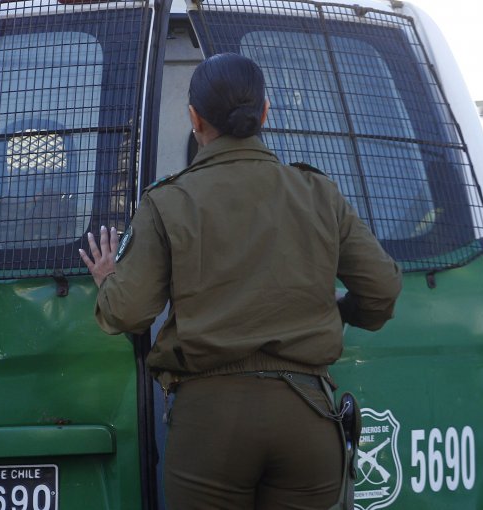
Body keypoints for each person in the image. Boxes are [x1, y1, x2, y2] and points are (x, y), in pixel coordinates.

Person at [79, 53, 402, 509]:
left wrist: (110, 277)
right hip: (307, 419)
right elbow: (382, 291)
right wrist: (340, 309)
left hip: (210, 428)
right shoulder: (317, 193)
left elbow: (127, 312)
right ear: (265, 112)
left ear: (194, 118)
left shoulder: (168, 201)